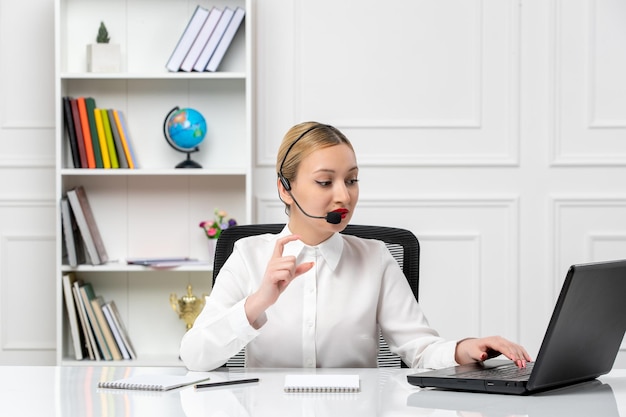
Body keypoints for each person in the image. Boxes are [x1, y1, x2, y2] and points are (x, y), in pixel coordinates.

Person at [180, 121, 531, 371]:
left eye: (351, 180)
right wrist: (258, 302)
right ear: (285, 189)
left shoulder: (376, 259)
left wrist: (462, 350)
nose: (344, 195)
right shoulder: (248, 256)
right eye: (324, 181)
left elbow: (419, 349)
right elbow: (195, 357)